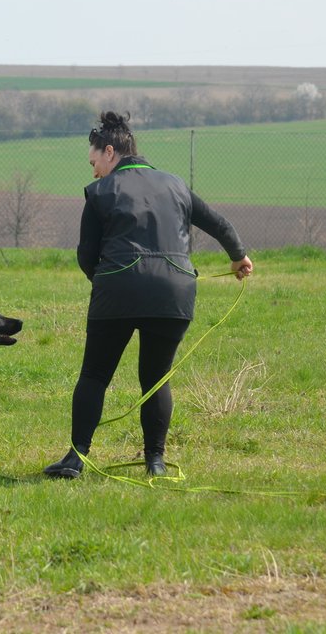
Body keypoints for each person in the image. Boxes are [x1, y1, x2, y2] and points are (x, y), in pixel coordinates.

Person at [44, 111, 253, 479]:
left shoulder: (99, 192)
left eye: (94, 161)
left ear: (110, 152)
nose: (93, 171)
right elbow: (219, 223)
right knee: (156, 377)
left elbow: (85, 256)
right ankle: (155, 462)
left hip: (117, 292)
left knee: (94, 375)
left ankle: (77, 458)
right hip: (175, 292)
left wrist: (107, 281)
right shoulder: (175, 185)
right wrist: (238, 258)